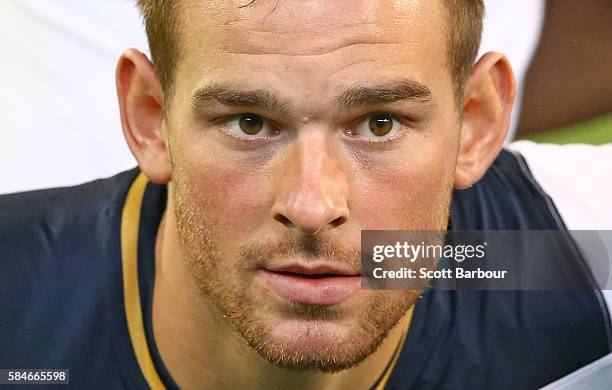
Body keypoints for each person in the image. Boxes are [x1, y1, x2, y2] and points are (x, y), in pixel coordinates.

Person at [0, 1, 610, 389]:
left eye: (379, 123)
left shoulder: (564, 256)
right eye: (249, 123)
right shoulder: (18, 298)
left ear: (477, 122)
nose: (313, 206)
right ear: (149, 116)